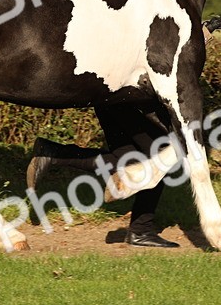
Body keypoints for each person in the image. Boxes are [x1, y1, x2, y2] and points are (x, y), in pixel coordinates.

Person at [27, 103, 180, 248]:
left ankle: (54, 153)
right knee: (161, 154)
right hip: (124, 96)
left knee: (130, 161)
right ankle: (141, 230)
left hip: (107, 99)